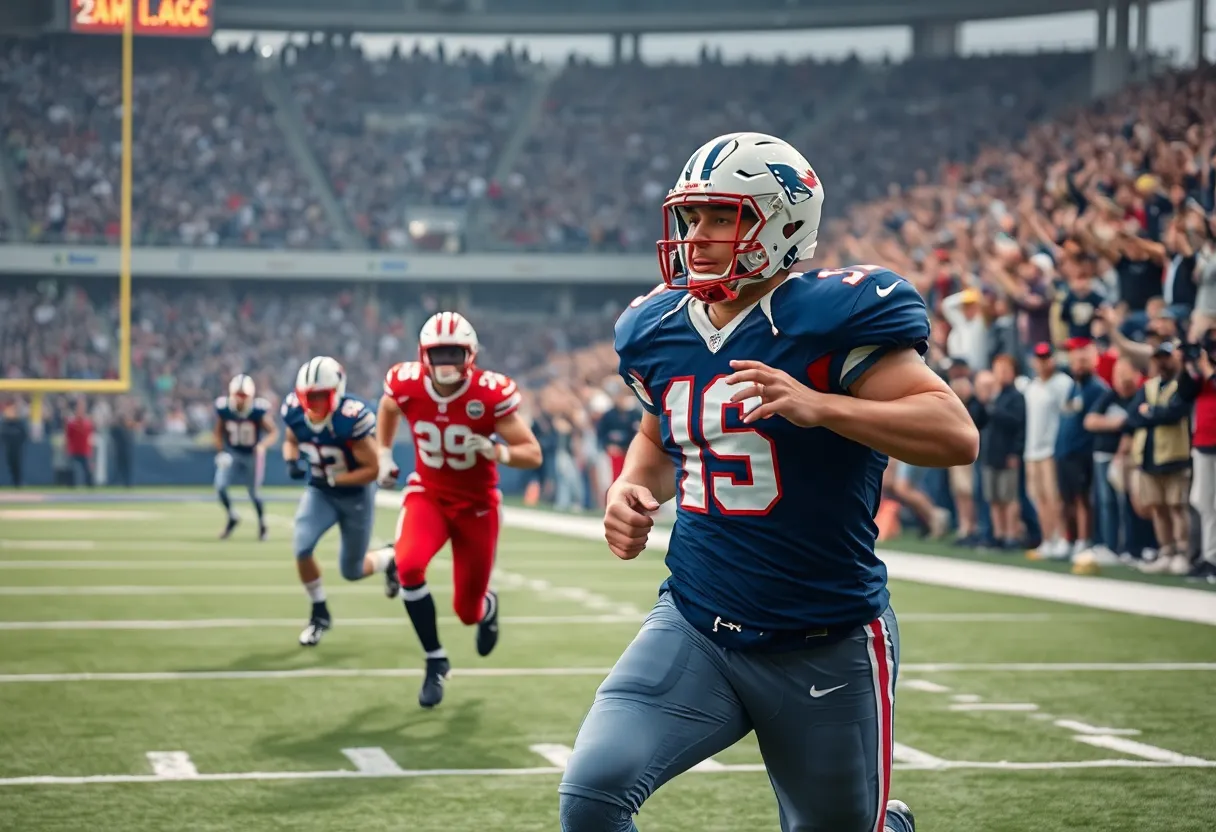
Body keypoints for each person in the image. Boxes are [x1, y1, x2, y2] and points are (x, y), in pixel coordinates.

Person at [558, 132, 978, 832]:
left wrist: (825, 407)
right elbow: (659, 436)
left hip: (826, 637)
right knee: (593, 796)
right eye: (691, 219)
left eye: (721, 217)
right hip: (695, 622)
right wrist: (630, 487)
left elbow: (954, 432)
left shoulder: (830, 318)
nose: (697, 237)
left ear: (782, 221)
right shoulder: (657, 326)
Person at [377, 312, 543, 708]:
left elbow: (532, 453)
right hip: (429, 494)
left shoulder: (489, 393)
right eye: (438, 354)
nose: (446, 362)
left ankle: (489, 607)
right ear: (422, 355)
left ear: (471, 355)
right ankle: (435, 660)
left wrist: (496, 450)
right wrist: (383, 452)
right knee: (409, 566)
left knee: (467, 612)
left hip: (477, 507)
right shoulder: (406, 383)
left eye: (455, 352)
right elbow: (387, 408)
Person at [281, 356, 398, 647]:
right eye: (308, 397)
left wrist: (336, 480)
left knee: (352, 570)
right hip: (320, 493)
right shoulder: (295, 411)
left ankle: (391, 558)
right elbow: (291, 439)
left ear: (337, 392)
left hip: (355, 495)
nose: (314, 404)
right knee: (301, 546)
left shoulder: (351, 419)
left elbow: (373, 469)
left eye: (321, 396)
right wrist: (291, 460)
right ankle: (319, 612)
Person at [213, 374, 278, 540]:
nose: (241, 400)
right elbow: (218, 432)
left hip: (252, 455)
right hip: (233, 453)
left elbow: (273, 432)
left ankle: (262, 524)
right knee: (220, 486)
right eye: (238, 395)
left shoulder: (257, 411)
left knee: (253, 492)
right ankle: (232, 516)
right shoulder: (225, 409)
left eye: (244, 396)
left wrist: (262, 446)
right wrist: (221, 451)